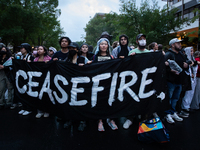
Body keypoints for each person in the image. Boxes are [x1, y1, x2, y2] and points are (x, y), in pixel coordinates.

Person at [123, 34, 151, 129]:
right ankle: (130, 118)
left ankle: (144, 119)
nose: (142, 40)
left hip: (146, 79)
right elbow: (127, 65)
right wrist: (130, 58)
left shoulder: (149, 52)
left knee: (145, 99)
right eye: (140, 39)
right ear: (137, 42)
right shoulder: (132, 52)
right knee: (133, 98)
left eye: (144, 39)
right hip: (134, 80)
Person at [93, 38, 118, 131]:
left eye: (105, 44)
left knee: (111, 101)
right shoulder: (95, 57)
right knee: (100, 101)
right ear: (99, 46)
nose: (103, 46)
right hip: (99, 83)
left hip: (110, 83)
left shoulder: (111, 57)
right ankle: (100, 121)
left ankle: (111, 119)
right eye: (102, 44)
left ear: (108, 46)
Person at [64, 42, 88, 131]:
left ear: (77, 50)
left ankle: (82, 121)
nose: (72, 50)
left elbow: (90, 68)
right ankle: (70, 119)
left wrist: (85, 66)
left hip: (81, 85)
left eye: (73, 49)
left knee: (81, 103)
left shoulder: (83, 58)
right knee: (69, 102)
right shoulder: (67, 60)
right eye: (70, 49)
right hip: (70, 85)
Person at [164, 38, 189, 124]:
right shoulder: (168, 54)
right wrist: (170, 70)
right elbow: (162, 66)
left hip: (179, 80)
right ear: (173, 45)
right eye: (178, 43)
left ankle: (173, 112)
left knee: (175, 98)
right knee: (169, 98)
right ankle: (167, 114)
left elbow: (186, 62)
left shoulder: (181, 54)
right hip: (171, 81)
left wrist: (187, 65)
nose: (180, 45)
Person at [34, 46, 51, 118]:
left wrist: (49, 63)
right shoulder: (35, 59)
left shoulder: (49, 58)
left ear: (44, 51)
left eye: (41, 49)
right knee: (38, 95)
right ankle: (40, 111)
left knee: (46, 95)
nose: (39, 50)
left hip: (47, 80)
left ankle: (47, 110)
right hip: (38, 80)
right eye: (38, 49)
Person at [180, 47, 198, 116]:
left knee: (191, 93)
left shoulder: (192, 59)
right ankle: (185, 107)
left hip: (193, 79)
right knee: (187, 94)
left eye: (192, 51)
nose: (192, 52)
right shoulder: (186, 59)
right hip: (187, 79)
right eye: (190, 51)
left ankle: (188, 106)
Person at [18, 43, 34, 115]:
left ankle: (29, 108)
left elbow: (34, 66)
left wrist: (29, 63)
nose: (21, 50)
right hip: (22, 77)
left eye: (22, 48)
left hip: (29, 78)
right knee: (23, 93)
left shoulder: (30, 56)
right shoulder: (21, 56)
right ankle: (24, 107)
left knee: (28, 93)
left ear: (26, 49)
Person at [0, 45, 13, 109]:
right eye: (2, 50)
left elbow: (11, 66)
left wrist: (4, 67)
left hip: (8, 74)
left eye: (4, 50)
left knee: (9, 88)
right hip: (1, 74)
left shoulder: (10, 58)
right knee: (1, 88)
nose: (3, 51)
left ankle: (9, 102)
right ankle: (1, 102)